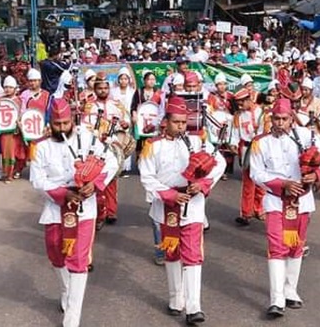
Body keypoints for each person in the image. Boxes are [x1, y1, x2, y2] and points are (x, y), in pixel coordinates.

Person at [30, 99, 119, 327]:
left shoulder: (86, 138)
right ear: (50, 123)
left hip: (84, 207)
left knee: (79, 259)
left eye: (66, 122)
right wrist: (62, 193)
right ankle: (66, 291)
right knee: (56, 254)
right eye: (57, 124)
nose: (62, 128)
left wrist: (96, 183)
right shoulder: (40, 147)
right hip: (55, 206)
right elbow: (37, 180)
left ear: (73, 120)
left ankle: (72, 319)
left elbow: (110, 161)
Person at [138, 96, 225, 326]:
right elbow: (146, 177)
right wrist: (168, 194)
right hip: (167, 205)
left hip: (193, 204)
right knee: (172, 252)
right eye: (176, 121)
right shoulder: (152, 146)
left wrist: (204, 184)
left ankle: (194, 306)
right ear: (165, 121)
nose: (180, 126)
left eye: (184, 122)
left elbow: (220, 163)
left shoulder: (197, 142)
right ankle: (176, 299)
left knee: (193, 254)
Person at [249, 98, 320, 319]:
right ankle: (276, 299)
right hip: (276, 200)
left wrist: (317, 174)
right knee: (276, 246)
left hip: (302, 201)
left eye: (284, 119)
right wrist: (282, 183)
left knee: (296, 247)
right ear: (271, 119)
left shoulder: (306, 136)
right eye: (276, 119)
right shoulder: (261, 142)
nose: (280, 123)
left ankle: (290, 290)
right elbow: (255, 173)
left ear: (291, 119)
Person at [84, 77, 131, 230]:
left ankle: (111, 211)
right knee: (97, 177)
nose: (103, 91)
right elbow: (85, 125)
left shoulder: (117, 104)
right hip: (96, 146)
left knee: (112, 178)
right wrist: (98, 135)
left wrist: (125, 124)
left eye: (105, 88)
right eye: (100, 88)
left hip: (113, 146)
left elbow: (127, 121)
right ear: (95, 89)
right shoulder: (89, 106)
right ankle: (99, 212)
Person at [231, 87, 266, 226]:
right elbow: (234, 132)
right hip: (246, 149)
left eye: (242, 102)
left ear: (249, 100)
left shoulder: (261, 113)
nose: (240, 106)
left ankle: (259, 208)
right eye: (238, 103)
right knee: (248, 182)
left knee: (261, 182)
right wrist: (233, 144)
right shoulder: (238, 116)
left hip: (259, 150)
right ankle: (246, 213)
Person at [19, 68, 51, 175]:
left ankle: (44, 171)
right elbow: (22, 110)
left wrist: (47, 124)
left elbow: (48, 110)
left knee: (43, 149)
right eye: (31, 81)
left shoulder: (46, 94)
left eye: (35, 80)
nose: (33, 83)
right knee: (31, 149)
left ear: (40, 81)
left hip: (42, 126)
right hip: (29, 126)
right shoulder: (24, 94)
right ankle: (34, 172)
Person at [0, 76, 23, 183]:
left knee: (15, 152)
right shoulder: (0, 100)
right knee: (6, 152)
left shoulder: (18, 100)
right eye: (6, 87)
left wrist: (19, 124)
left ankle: (13, 171)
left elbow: (21, 114)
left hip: (15, 131)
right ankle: (7, 173)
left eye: (10, 87)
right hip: (4, 131)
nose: (8, 89)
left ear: (14, 88)